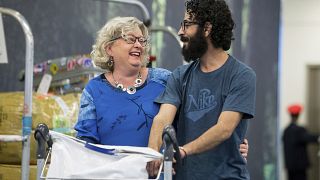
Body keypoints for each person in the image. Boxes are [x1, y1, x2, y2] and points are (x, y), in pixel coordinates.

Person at [147, 0, 256, 179]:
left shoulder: (241, 75)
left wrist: (183, 151)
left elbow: (224, 128)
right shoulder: (180, 75)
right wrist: (152, 154)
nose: (181, 31)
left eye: (187, 24)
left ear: (207, 29)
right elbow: (162, 119)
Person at [282, 104, 320, 180]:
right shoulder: (299, 130)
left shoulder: (286, 131)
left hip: (290, 167)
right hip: (299, 168)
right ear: (298, 115)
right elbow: (309, 138)